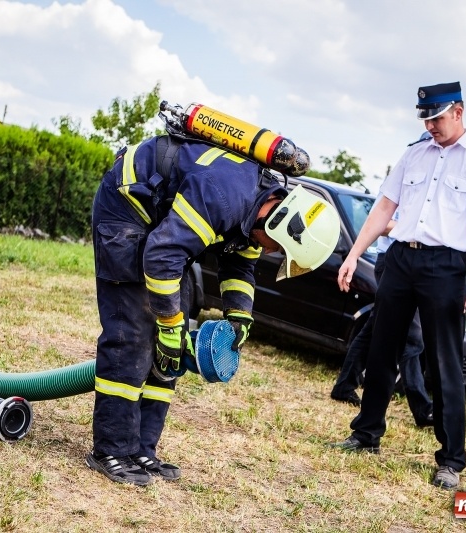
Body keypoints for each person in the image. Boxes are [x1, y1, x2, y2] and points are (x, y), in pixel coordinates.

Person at [88, 132, 341, 486]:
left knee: (170, 351)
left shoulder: (260, 213)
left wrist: (239, 315)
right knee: (132, 334)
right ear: (282, 224)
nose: (273, 255)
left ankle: (142, 449)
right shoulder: (224, 196)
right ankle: (112, 449)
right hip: (127, 207)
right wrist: (170, 322)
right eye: (280, 250)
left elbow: (240, 266)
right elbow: (162, 256)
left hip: (165, 231)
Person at [330, 81, 466, 491]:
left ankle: (450, 460)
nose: (431, 126)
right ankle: (366, 433)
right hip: (400, 260)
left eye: (437, 118)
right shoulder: (413, 153)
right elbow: (384, 208)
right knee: (382, 347)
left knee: (444, 362)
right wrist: (355, 254)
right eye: (425, 119)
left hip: (444, 266)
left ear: (459, 112)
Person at [331, 199, 433, 429]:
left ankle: (344, 386)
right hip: (390, 261)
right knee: (412, 335)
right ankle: (423, 408)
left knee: (374, 326)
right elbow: (381, 222)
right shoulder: (401, 183)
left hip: (408, 264)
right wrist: (416, 231)